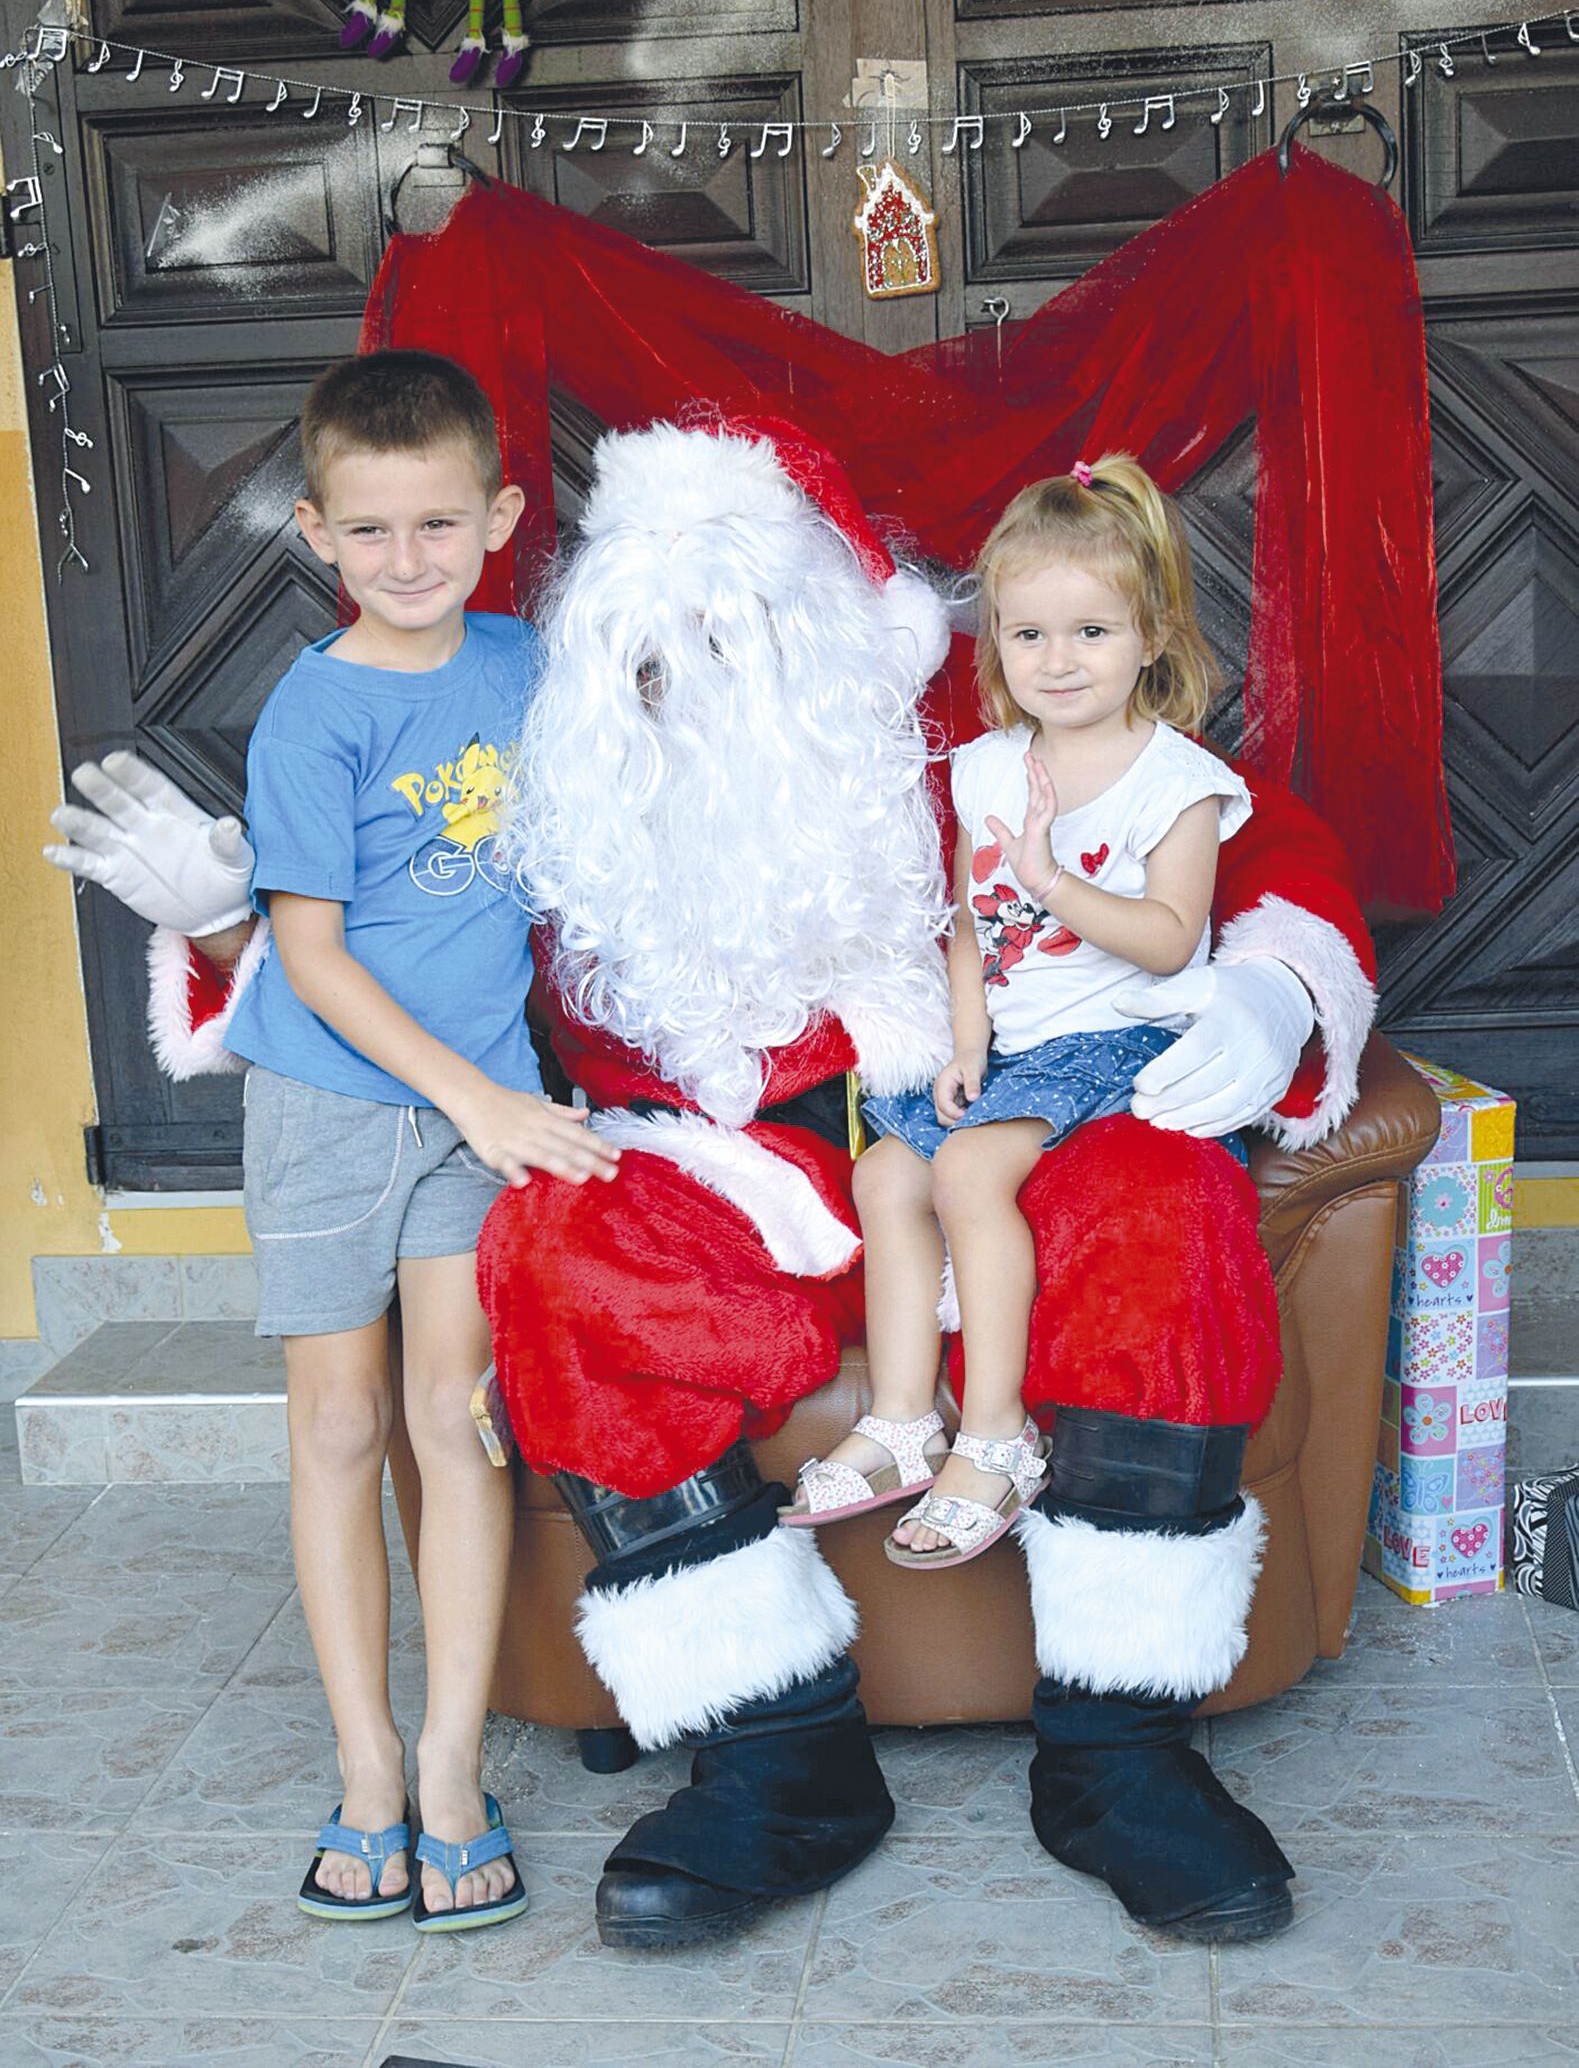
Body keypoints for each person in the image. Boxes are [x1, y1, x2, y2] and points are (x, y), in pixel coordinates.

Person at [54, 413, 1375, 1955]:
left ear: (830, 645)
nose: (673, 689)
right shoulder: (558, 797)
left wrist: (1274, 984)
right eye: (642, 658)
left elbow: (1249, 834)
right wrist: (235, 935)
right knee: (552, 1244)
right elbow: (395, 942)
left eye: (722, 643)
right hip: (708, 1170)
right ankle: (775, 1749)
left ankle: (1120, 1753)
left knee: (1165, 1206)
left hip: (984, 1135)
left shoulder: (967, 714)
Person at [49, 349, 621, 1933]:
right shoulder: (315, 710)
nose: (408, 559)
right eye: (369, 532)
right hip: (329, 1105)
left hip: (474, 1107)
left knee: (455, 1416)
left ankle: (449, 1766)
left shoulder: (524, 667)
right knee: (339, 1430)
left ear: (501, 514)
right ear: (313, 531)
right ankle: (364, 1764)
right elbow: (308, 957)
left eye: (440, 523)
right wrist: (484, 1099)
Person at [785, 456, 1254, 1568]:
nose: (1057, 661)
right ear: (992, 641)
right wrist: (963, 1042)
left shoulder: (1174, 780)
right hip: (1016, 1043)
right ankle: (903, 1422)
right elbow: (964, 925)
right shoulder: (986, 768)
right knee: (884, 1172)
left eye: (1091, 632)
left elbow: (1171, 938)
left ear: (1151, 636)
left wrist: (1053, 882)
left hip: (1125, 1033)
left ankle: (995, 1437)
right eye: (1026, 634)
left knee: (964, 1172)